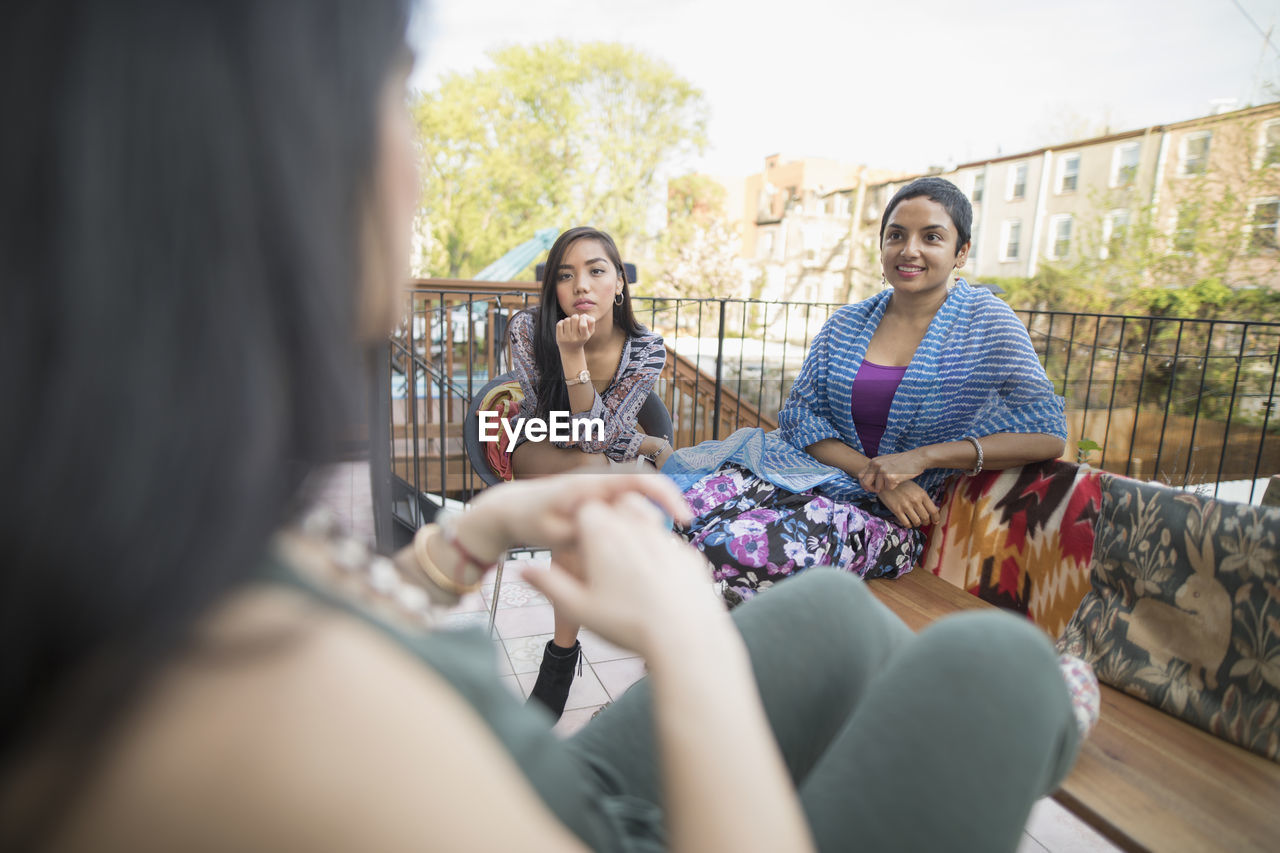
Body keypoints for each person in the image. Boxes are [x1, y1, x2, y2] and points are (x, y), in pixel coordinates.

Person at [0, 4, 1086, 850]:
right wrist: (685, 637)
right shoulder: (254, 725)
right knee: (998, 662)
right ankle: (996, 724)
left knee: (833, 618)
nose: (411, 155)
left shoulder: (133, 535)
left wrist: (459, 539)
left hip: (540, 758)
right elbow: (665, 424)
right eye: (396, 91)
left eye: (594, 270)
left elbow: (612, 436)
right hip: (548, 794)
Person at [663, 177, 1068, 605]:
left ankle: (718, 660)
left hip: (889, 522)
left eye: (931, 237)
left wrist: (923, 458)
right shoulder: (846, 324)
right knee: (673, 516)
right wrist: (875, 476)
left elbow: (1047, 433)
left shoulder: (988, 324)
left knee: (730, 549)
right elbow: (800, 417)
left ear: (961, 253)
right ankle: (683, 652)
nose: (909, 249)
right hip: (800, 475)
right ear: (882, 249)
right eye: (896, 235)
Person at [507, 226, 671, 720]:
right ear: (554, 288)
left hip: (588, 466)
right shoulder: (526, 329)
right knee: (599, 473)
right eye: (566, 275)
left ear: (619, 282)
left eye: (596, 271)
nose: (581, 286)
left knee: (586, 487)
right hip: (533, 446)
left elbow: (596, 439)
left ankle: (559, 656)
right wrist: (572, 357)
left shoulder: (646, 349)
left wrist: (617, 439)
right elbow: (552, 426)